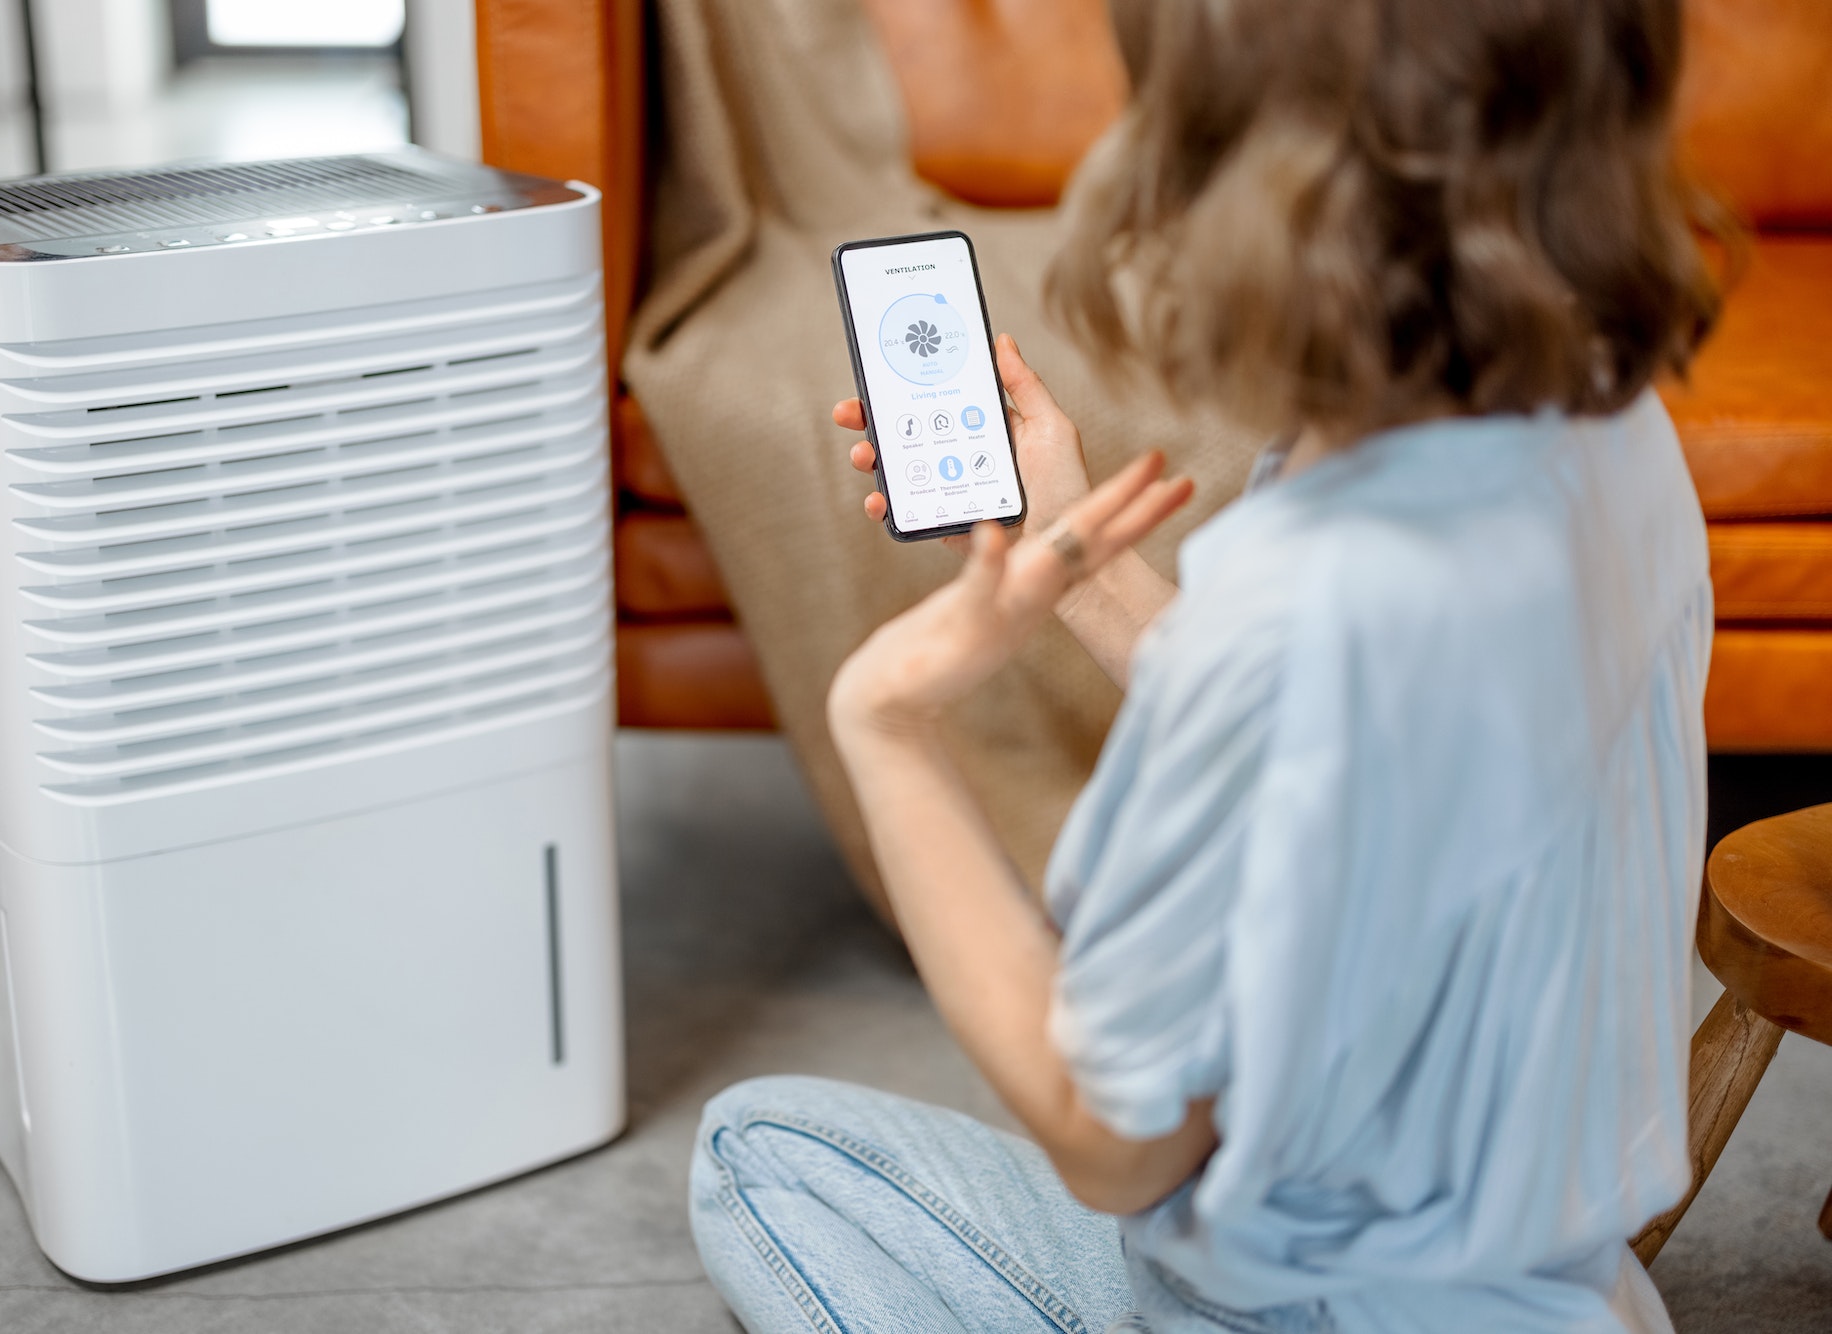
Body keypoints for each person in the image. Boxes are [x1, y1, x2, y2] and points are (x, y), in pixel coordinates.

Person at [689, 1, 1720, 1330]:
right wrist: (1075, 551)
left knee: (758, 1151)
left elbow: (1113, 1138)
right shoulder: (1606, 422)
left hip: (1310, 1308)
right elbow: (1338, 748)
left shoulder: (1300, 607)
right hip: (1555, 1282)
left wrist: (883, 727)